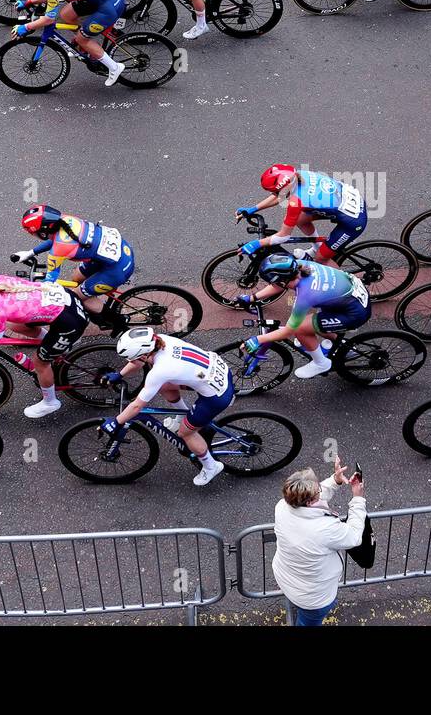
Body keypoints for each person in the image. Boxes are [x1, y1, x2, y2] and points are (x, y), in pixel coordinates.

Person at [99, 327, 235, 486]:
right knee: (164, 386)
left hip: (216, 397)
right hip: (218, 373)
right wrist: (120, 375)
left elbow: (137, 406)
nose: (130, 361)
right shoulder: (160, 340)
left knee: (186, 433)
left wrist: (116, 421)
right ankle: (182, 414)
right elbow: (138, 362)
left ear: (144, 354)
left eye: (131, 357)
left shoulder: (160, 371)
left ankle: (211, 466)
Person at [0, 269, 90, 419]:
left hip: (70, 322)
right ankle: (52, 344)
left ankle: (50, 402)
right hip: (67, 302)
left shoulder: (1, 312)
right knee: (15, 325)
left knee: (40, 363)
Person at [241, 254, 370, 379]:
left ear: (282, 281)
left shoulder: (306, 295)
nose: (273, 284)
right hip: (350, 298)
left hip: (354, 313)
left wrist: (258, 339)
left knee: (300, 329)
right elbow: (279, 285)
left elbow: (288, 331)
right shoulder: (300, 265)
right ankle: (343, 346)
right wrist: (252, 298)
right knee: (311, 324)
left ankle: (321, 364)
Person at [271, 459, 366, 626]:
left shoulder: (282, 506)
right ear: (309, 502)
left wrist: (335, 480)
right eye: (318, 490)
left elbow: (311, 499)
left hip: (286, 577)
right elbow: (354, 536)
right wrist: (358, 499)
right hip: (314, 598)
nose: (320, 490)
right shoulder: (324, 529)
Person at [10, 0, 126, 86]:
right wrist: (28, 2)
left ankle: (114, 68)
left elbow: (48, 19)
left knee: (82, 39)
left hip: (109, 8)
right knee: (66, 14)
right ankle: (88, 41)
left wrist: (26, 27)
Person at [11, 203, 134, 316]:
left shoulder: (59, 249)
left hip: (117, 270)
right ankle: (93, 292)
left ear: (43, 232)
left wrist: (32, 289)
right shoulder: (65, 220)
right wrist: (31, 253)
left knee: (77, 298)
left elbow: (50, 281)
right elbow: (55, 239)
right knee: (76, 278)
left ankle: (118, 324)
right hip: (119, 251)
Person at [237, 164, 366, 264]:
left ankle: (348, 288)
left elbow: (283, 236)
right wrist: (253, 209)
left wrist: (256, 244)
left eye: (274, 191)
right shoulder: (298, 175)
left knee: (321, 259)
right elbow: (280, 195)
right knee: (300, 219)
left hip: (353, 221)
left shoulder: (296, 202)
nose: (274, 194)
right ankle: (316, 248)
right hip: (348, 201)